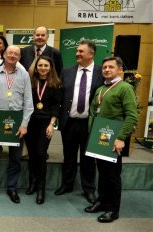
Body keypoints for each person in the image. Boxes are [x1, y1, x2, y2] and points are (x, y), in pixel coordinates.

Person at [85, 56, 138, 223]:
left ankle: (113, 209)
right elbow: (93, 112)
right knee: (102, 172)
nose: (106, 70)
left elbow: (132, 115)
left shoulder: (125, 88)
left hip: (114, 139)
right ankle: (102, 201)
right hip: (99, 138)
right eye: (104, 67)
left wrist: (121, 138)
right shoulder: (101, 89)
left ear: (120, 70)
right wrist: (92, 133)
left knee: (113, 175)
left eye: (111, 67)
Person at [0, 45, 34, 204]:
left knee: (15, 157)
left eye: (16, 54)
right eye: (10, 53)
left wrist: (24, 124)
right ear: (4, 54)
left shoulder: (24, 75)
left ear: (19, 57)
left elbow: (28, 102)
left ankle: (12, 188)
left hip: (17, 119)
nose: (13, 56)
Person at [56, 40, 104, 203]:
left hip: (89, 124)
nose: (77, 53)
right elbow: (60, 96)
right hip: (69, 122)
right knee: (68, 155)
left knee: (88, 158)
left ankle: (89, 189)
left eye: (81, 51)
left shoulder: (101, 72)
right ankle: (67, 184)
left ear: (91, 54)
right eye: (76, 51)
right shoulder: (66, 72)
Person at [24, 56, 62, 204]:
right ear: (36, 67)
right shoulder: (30, 82)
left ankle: (41, 188)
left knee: (41, 154)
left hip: (45, 123)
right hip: (30, 122)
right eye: (40, 65)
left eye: (46, 65)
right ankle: (32, 182)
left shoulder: (56, 84)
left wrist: (52, 124)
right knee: (32, 155)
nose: (43, 68)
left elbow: (56, 106)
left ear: (51, 67)